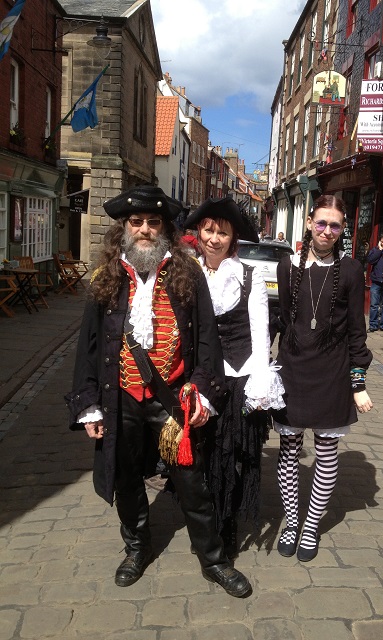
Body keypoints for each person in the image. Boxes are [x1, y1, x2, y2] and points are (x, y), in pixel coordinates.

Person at [65, 186, 251, 598]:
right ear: (125, 229)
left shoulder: (188, 274)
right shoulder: (107, 277)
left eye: (153, 222)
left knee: (192, 482)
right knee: (126, 477)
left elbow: (207, 344)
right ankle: (136, 548)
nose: (145, 229)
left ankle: (214, 560)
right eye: (137, 222)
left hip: (173, 401)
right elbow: (88, 346)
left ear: (165, 228)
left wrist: (203, 394)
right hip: (121, 398)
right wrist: (89, 404)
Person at [271, 194, 373, 562]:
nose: (327, 230)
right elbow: (284, 319)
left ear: (342, 228)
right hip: (293, 371)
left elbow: (357, 332)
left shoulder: (350, 270)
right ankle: (292, 521)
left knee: (327, 453)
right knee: (289, 450)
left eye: (335, 225)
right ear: (309, 223)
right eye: (321, 222)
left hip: (332, 373)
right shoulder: (287, 267)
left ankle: (311, 527)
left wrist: (357, 382)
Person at [184, 196, 285, 557]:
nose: (214, 238)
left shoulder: (250, 275)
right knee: (202, 454)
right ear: (198, 232)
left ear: (232, 239)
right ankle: (206, 521)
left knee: (230, 456)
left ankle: (226, 528)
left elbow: (261, 331)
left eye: (222, 233)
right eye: (208, 230)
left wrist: (260, 380)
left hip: (238, 377)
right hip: (199, 378)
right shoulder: (186, 271)